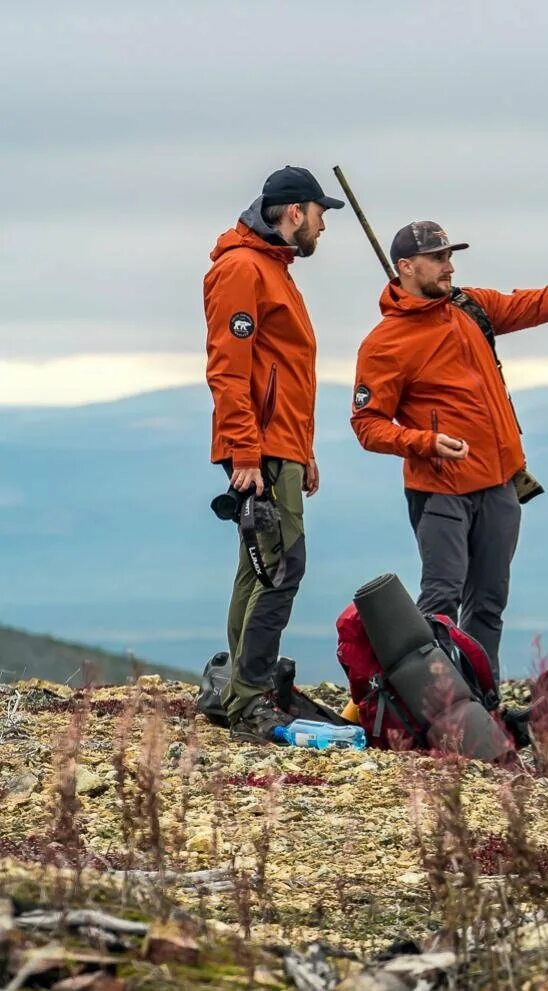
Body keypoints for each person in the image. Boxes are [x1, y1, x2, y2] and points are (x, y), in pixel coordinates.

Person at [350, 221, 548, 680]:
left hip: (500, 485)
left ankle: (481, 699)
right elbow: (366, 424)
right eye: (438, 258)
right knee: (440, 601)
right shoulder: (384, 344)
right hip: (440, 491)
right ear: (405, 267)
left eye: (449, 256)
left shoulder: (469, 306)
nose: (449, 266)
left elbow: (531, 304)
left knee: (489, 604)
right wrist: (423, 442)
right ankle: (433, 704)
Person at [203, 165, 344, 743]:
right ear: (293, 213)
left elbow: (284, 372)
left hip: (277, 445)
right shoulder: (242, 270)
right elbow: (229, 369)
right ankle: (249, 701)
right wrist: (244, 452)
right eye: (319, 215)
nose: (322, 228)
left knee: (258, 568)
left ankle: (237, 689)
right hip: (256, 447)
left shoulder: (273, 269)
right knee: (283, 568)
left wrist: (302, 450)